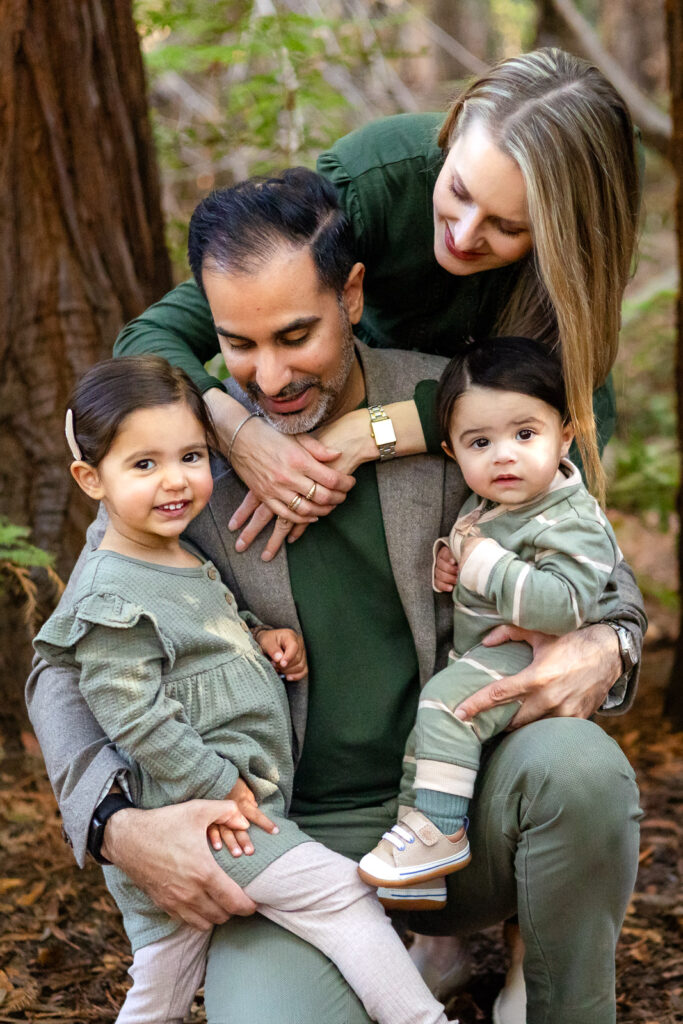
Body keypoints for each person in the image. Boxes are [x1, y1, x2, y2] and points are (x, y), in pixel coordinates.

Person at [27, 170, 644, 1024]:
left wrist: (609, 644)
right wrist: (115, 826)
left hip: (459, 812)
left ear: (352, 295)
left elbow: (603, 573)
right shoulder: (174, 457)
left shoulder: (450, 409)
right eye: (237, 344)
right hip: (278, 842)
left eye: (294, 334)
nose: (268, 376)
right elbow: (60, 668)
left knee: (579, 770)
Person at [34, 354, 449, 1024]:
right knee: (341, 895)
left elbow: (197, 629)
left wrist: (256, 633)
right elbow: (129, 710)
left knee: (160, 993)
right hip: (205, 816)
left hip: (224, 807)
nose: (175, 481)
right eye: (143, 465)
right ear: (90, 479)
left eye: (191, 456)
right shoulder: (110, 591)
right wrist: (213, 780)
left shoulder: (177, 551)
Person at [114, 46, 640, 553]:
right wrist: (237, 431)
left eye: (506, 226)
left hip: (472, 459)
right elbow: (151, 337)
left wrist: (370, 432)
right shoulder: (373, 184)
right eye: (457, 190)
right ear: (453, 133)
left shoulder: (579, 259)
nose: (462, 234)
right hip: (334, 403)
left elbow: (569, 409)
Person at [358, 338, 626, 900]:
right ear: (454, 452)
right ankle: (422, 857)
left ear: (566, 434)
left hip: (532, 653)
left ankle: (440, 831)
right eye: (480, 442)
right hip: (485, 650)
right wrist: (451, 564)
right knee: (426, 734)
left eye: (525, 434)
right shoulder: (489, 504)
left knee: (448, 710)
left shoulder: (571, 518)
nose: (504, 455)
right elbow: (476, 551)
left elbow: (565, 606)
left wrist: (484, 564)